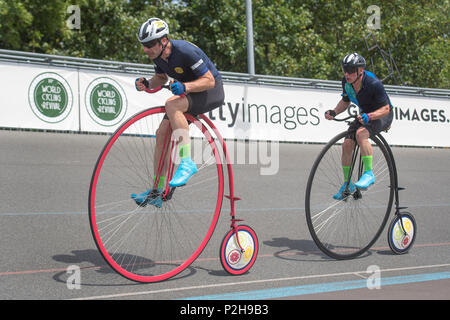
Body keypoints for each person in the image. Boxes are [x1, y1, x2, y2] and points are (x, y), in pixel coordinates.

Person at [132, 17, 224, 206]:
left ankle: (186, 162)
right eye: (143, 45)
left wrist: (186, 87)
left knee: (172, 104)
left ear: (163, 40)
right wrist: (147, 83)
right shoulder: (158, 56)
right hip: (189, 92)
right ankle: (158, 191)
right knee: (162, 134)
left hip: (210, 91)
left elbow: (209, 81)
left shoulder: (184, 51)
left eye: (149, 45)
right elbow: (160, 77)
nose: (145, 49)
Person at [325, 52, 394, 200]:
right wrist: (334, 112)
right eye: (345, 70)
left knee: (361, 134)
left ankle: (368, 173)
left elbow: (386, 109)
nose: (347, 74)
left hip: (382, 114)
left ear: (360, 71)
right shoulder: (346, 82)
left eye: (350, 71)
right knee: (347, 144)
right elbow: (345, 100)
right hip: (365, 113)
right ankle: (347, 183)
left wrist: (370, 116)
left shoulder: (373, 83)